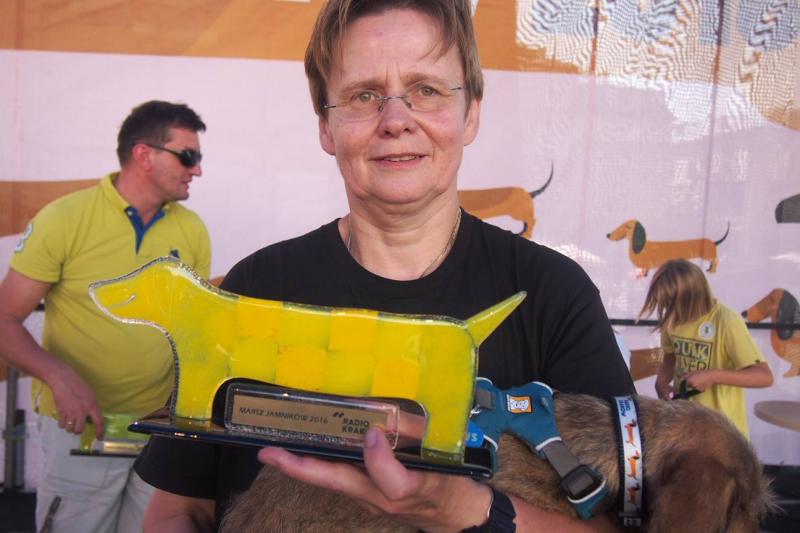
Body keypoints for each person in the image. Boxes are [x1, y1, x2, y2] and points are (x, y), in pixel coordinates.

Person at [136, 1, 633, 531]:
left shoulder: (552, 294)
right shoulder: (253, 288)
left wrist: (470, 511)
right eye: (364, 96)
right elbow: (180, 510)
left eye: (427, 90)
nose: (396, 121)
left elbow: (615, 524)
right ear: (326, 127)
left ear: (470, 114)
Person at [0, 100, 211, 533]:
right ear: (144, 154)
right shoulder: (65, 218)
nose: (197, 170)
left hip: (159, 432)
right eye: (188, 156)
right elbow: (4, 320)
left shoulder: (192, 229)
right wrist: (58, 376)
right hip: (81, 428)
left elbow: (195, 331)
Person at [639, 259, 773, 437]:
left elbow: (764, 377)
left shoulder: (726, 321)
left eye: (673, 303)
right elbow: (670, 359)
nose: (669, 310)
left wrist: (713, 375)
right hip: (686, 426)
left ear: (693, 296)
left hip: (724, 432)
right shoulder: (672, 319)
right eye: (665, 303)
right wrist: (662, 382)